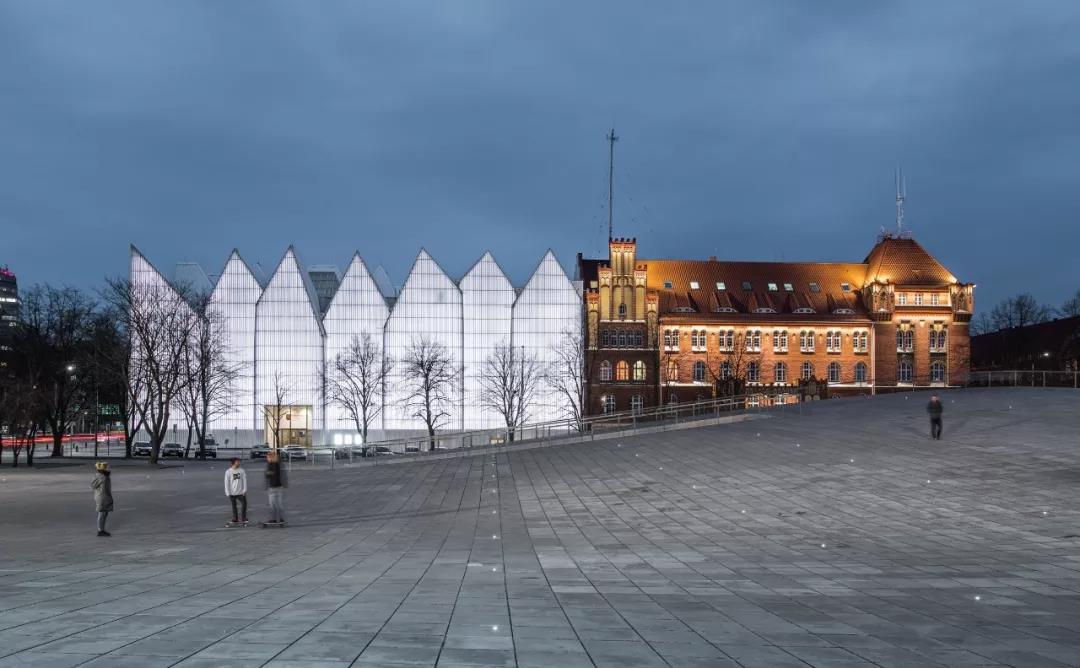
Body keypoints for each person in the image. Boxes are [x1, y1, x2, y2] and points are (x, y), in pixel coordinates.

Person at [91, 461, 113, 537]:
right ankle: (100, 530)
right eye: (107, 467)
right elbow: (94, 485)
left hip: (103, 496)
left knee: (104, 513)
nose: (109, 469)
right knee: (102, 513)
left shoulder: (102, 476)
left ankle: (101, 529)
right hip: (102, 497)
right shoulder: (102, 477)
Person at [265, 449, 287, 524]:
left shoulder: (271, 464)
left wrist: (268, 473)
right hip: (279, 487)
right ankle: (281, 519)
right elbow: (281, 475)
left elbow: (268, 475)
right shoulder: (279, 464)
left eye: (268, 457)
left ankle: (273, 519)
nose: (267, 458)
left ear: (271, 457)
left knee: (272, 505)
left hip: (272, 487)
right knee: (279, 504)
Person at [224, 458, 248, 524]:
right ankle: (235, 519)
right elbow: (226, 483)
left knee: (244, 504)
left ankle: (243, 518)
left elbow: (244, 480)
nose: (239, 463)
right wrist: (227, 492)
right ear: (233, 463)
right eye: (237, 462)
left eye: (239, 462)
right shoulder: (228, 472)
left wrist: (244, 490)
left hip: (240, 492)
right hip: (232, 492)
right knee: (234, 506)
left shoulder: (241, 471)